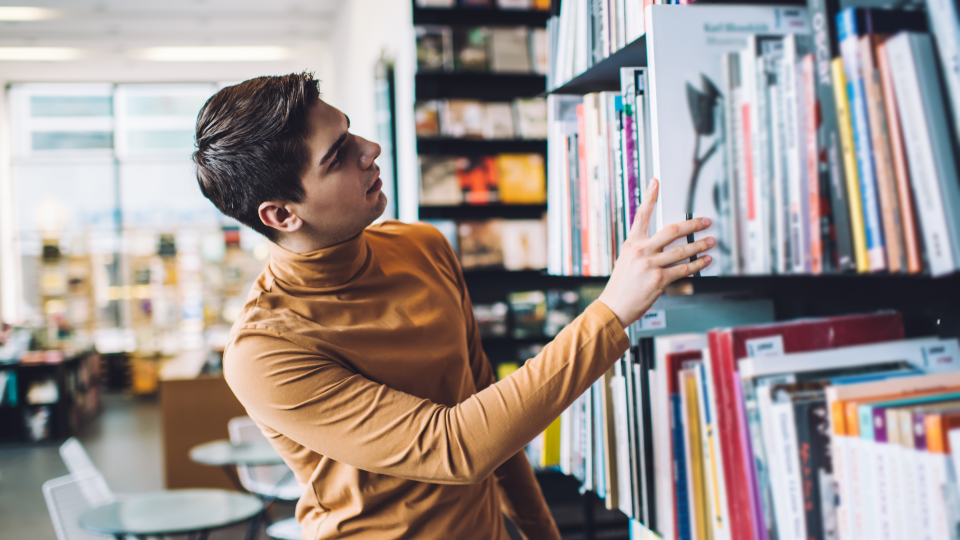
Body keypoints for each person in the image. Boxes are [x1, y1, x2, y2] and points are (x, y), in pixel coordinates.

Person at [193, 72, 713, 540]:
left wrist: (540, 534)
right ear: (282, 214)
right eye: (337, 155)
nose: (370, 149)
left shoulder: (422, 246)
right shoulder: (265, 350)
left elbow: (490, 406)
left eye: (351, 132)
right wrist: (611, 311)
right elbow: (456, 446)